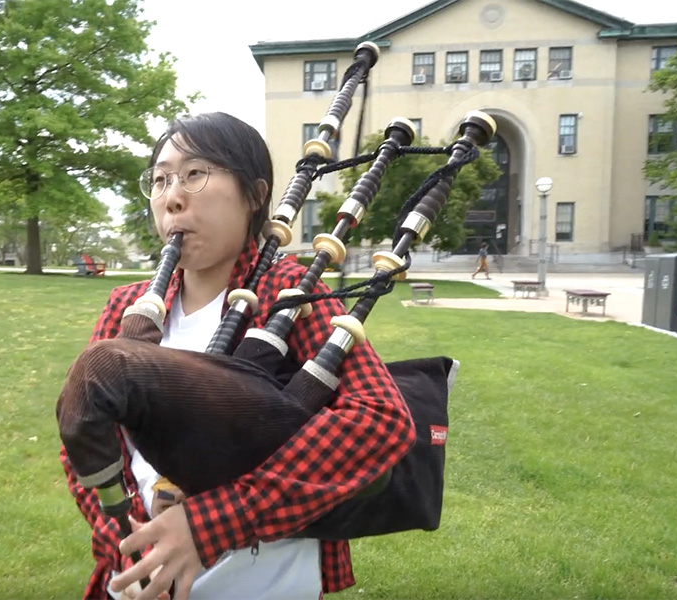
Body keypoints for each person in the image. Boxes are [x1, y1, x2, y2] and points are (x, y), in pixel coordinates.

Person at [59, 112, 415, 600]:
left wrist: (208, 526)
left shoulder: (290, 295)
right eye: (160, 179)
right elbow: (84, 431)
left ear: (254, 195)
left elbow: (379, 421)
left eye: (194, 174)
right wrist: (125, 538)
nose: (172, 196)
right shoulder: (127, 305)